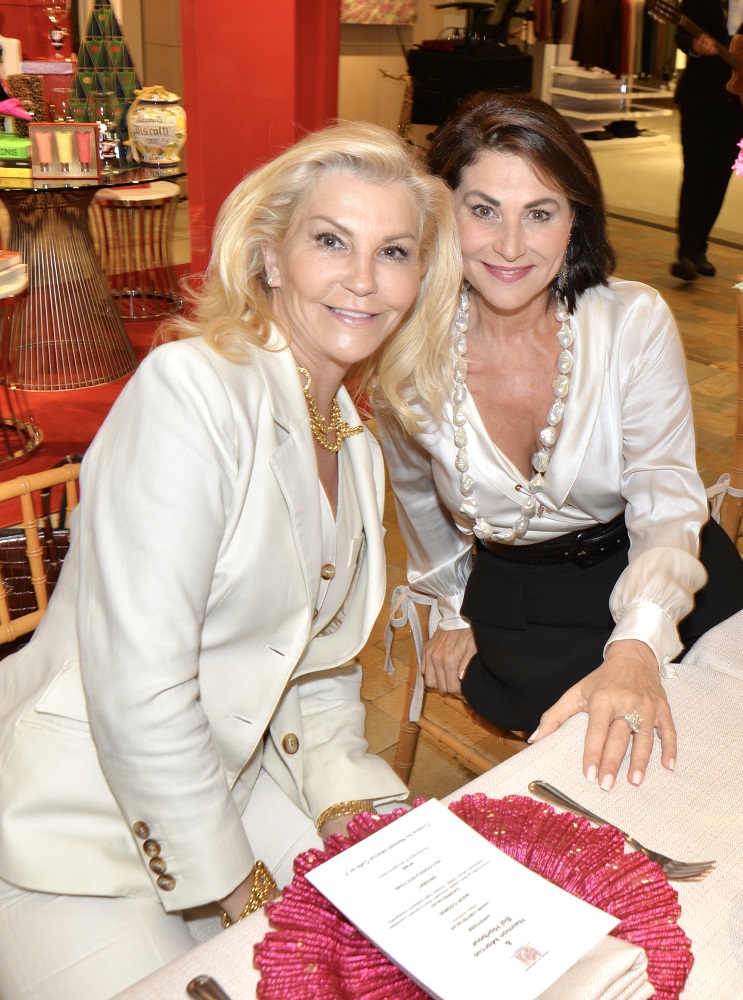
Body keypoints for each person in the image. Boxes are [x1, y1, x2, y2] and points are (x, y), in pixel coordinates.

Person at [0, 122, 460, 999]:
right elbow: (141, 685)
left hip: (232, 774)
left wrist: (357, 805)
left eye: (393, 251)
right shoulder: (193, 391)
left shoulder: (355, 445)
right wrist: (239, 887)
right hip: (68, 818)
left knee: (406, 944)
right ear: (269, 258)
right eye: (331, 240)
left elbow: (314, 669)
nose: (363, 279)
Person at [374, 92, 743, 798]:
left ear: (574, 219)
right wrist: (452, 609)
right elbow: (419, 505)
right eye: (482, 209)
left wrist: (636, 642)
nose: (509, 246)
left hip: (659, 576)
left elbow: (667, 500)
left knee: (705, 775)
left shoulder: (630, 320)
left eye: (538, 213)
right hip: (521, 602)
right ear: (440, 214)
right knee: (602, 783)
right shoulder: (401, 349)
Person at [670, 0, 743, 281]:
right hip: (699, 99)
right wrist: (695, 48)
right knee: (696, 174)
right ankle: (687, 252)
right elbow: (681, 35)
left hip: (737, 106)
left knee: (719, 178)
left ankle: (699, 247)